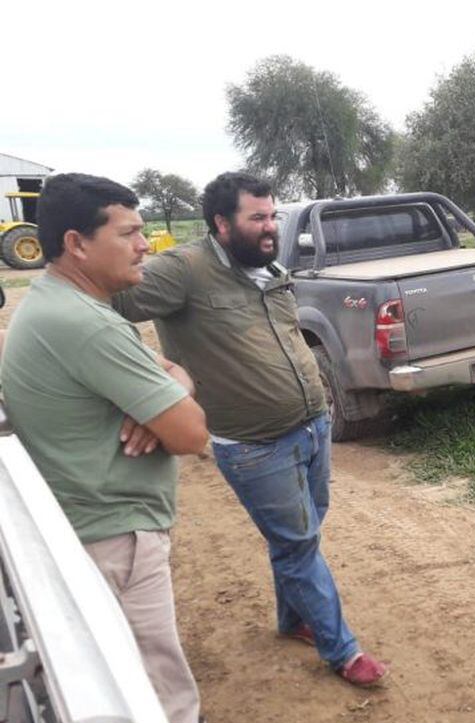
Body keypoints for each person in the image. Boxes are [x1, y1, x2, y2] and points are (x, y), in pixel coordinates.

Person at [113, 172, 387, 687]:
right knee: (298, 543)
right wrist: (151, 386)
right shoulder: (184, 269)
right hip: (254, 445)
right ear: (221, 223)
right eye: (256, 218)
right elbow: (105, 305)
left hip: (311, 425)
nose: (270, 227)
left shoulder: (268, 265)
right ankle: (342, 650)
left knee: (302, 535)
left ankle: (293, 618)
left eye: (272, 216)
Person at [0, 173, 208, 723]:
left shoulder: (59, 304)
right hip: (116, 538)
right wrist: (171, 403)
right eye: (130, 233)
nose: (145, 245)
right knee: (157, 699)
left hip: (95, 531)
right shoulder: (86, 324)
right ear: (78, 243)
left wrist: (169, 394)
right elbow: (192, 434)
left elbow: (171, 372)